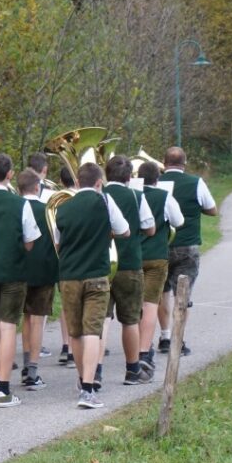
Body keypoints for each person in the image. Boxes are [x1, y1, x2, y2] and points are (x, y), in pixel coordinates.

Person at [53, 162, 129, 409]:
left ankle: (80, 379)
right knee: (92, 331)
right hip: (97, 274)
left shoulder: (62, 207)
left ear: (77, 183)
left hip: (69, 276)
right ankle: (88, 388)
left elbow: (58, 243)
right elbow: (124, 230)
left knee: (75, 332)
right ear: (99, 183)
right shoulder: (105, 201)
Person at [0, 153, 40, 408]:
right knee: (9, 325)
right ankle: (4, 386)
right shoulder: (20, 203)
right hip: (13, 271)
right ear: (10, 174)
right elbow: (30, 240)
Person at [157, 147, 218, 356]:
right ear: (185, 163)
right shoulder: (196, 182)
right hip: (187, 246)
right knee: (182, 295)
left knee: (161, 292)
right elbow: (212, 209)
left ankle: (164, 336)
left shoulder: (155, 182)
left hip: (159, 246)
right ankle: (178, 340)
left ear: (164, 162)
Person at [102, 156, 156, 386]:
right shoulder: (136, 196)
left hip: (102, 264)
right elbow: (150, 228)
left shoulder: (99, 195)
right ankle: (132, 370)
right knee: (130, 320)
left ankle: (95, 370)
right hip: (129, 264)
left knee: (101, 320)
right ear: (129, 177)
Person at [137, 161, 184, 376]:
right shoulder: (165, 197)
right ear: (158, 179)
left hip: (134, 256)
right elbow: (178, 220)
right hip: (156, 256)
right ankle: (144, 352)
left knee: (136, 305)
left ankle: (138, 346)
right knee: (150, 304)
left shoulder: (132, 195)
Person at [17, 169, 57, 391]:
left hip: (20, 270)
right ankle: (32, 369)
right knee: (38, 319)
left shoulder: (16, 207)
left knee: (26, 317)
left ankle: (25, 365)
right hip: (44, 271)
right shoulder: (48, 210)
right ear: (37, 187)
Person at [55, 163, 76, 368]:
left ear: (61, 181)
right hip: (86, 262)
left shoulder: (57, 202)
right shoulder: (85, 201)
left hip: (64, 260)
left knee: (66, 302)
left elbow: (56, 239)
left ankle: (66, 345)